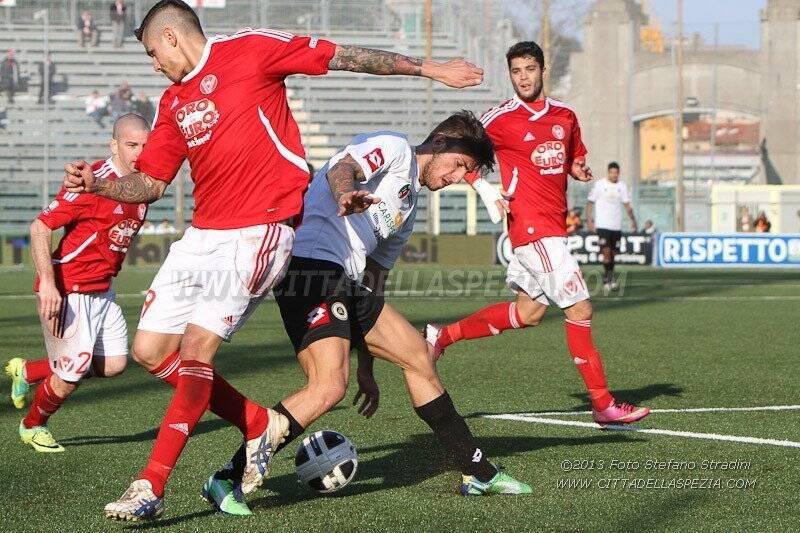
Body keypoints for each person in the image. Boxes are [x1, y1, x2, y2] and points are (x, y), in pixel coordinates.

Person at [62, 0, 483, 521]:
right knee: (151, 350)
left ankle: (151, 485)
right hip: (203, 236)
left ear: (171, 37)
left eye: (152, 52)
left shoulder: (249, 50)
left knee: (197, 352)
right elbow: (149, 182)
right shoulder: (172, 102)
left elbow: (338, 56)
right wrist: (99, 185)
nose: (153, 63)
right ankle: (259, 423)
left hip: (260, 230)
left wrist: (428, 68)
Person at [210, 112, 530, 513]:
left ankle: (477, 472)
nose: (455, 178)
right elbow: (344, 168)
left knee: (417, 355)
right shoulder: (395, 149)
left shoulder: (408, 207)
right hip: (310, 267)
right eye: (460, 167)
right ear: (442, 144)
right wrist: (346, 193)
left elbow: (376, 276)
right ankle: (226, 477)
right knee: (328, 387)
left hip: (345, 280)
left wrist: (368, 364)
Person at [426, 42, 649, 426]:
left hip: (553, 225)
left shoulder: (566, 116)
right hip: (532, 228)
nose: (523, 77)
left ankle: (441, 336)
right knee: (580, 308)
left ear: (542, 70)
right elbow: (452, 145)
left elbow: (574, 158)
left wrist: (577, 169)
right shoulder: (499, 119)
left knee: (528, 313)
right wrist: (481, 184)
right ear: (510, 74)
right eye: (516, 71)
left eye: (529, 69)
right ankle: (603, 404)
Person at [4, 114, 151, 452]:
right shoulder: (90, 183)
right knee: (70, 375)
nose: (139, 153)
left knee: (114, 365)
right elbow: (41, 226)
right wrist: (48, 284)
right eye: (131, 145)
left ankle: (28, 371)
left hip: (103, 290)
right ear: (113, 145)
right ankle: (32, 425)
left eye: (145, 145)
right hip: (70, 288)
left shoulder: (143, 186)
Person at [586, 161, 637, 291]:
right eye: (612, 172)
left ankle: (610, 277)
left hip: (616, 225)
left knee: (613, 253)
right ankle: (608, 278)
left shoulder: (622, 186)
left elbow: (627, 204)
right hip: (603, 224)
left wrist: (633, 220)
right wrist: (589, 220)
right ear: (608, 172)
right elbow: (590, 202)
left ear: (618, 173)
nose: (614, 175)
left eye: (616, 173)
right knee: (606, 252)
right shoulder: (600, 185)